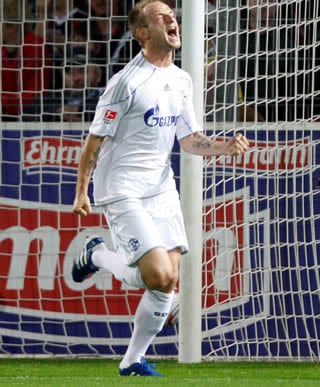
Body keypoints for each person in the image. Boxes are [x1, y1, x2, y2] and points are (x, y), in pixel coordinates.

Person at [71, 0, 250, 377]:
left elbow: (189, 139)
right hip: (122, 187)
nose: (173, 20)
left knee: (165, 281)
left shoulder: (182, 79)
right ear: (142, 33)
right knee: (159, 277)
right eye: (161, 17)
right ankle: (99, 254)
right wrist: (82, 191)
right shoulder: (127, 83)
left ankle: (132, 359)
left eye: (173, 15)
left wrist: (223, 145)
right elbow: (93, 142)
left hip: (161, 187)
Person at [1, 0, 51, 122]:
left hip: (31, 117)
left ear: (12, 27)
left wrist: (4, 101)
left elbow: (35, 93)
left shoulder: (36, 47)